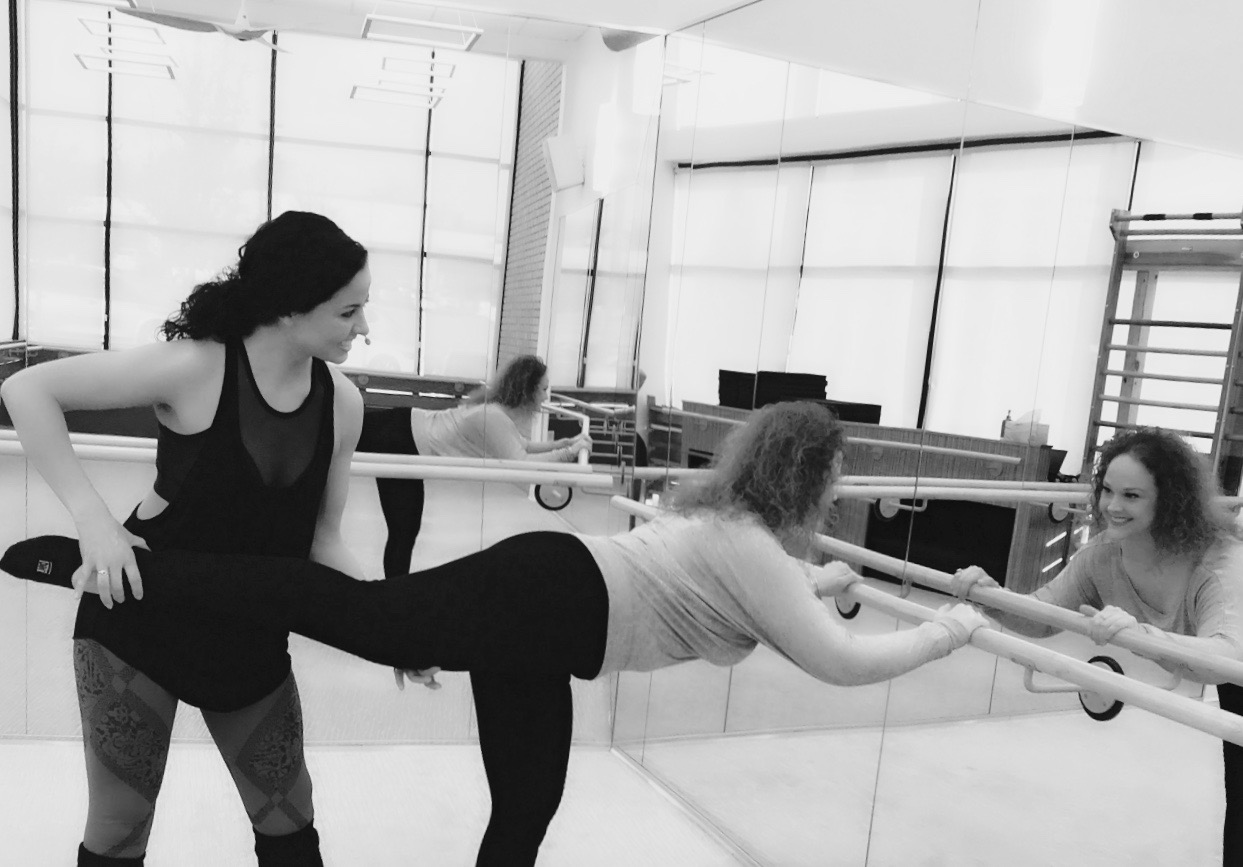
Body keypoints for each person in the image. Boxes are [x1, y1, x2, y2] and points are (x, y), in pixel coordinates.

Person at [4, 401, 988, 867]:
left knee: (528, 805)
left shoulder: (739, 535)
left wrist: (825, 579)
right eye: (834, 481)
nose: (837, 494)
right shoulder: (752, 550)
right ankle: (110, 563)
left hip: (547, 619)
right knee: (348, 610)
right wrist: (952, 628)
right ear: (810, 480)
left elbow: (773, 596)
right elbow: (840, 661)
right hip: (544, 599)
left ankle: (141, 569)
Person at [0, 211, 371, 867]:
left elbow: (322, 540)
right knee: (119, 827)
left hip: (250, 634)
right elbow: (27, 389)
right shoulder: (197, 365)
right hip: (137, 621)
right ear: (291, 307)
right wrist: (94, 521)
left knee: (290, 824)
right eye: (349, 311)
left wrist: (398, 622)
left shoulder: (342, 403)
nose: (363, 327)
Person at [948, 427, 1243, 864]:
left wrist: (1141, 635)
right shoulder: (1104, 555)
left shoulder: (1220, 562)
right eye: (1107, 490)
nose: (1113, 507)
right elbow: (1045, 614)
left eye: (1132, 496)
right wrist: (990, 595)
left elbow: (1227, 657)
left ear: (1169, 500)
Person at [357, 354, 592, 576]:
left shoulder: (497, 413)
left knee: (405, 529)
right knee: (404, 529)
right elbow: (521, 463)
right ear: (527, 391)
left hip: (406, 437)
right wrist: (568, 453)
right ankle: (393, 591)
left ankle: (394, 588)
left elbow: (523, 445)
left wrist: (563, 444)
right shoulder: (493, 416)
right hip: (399, 437)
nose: (546, 396)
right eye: (543, 389)